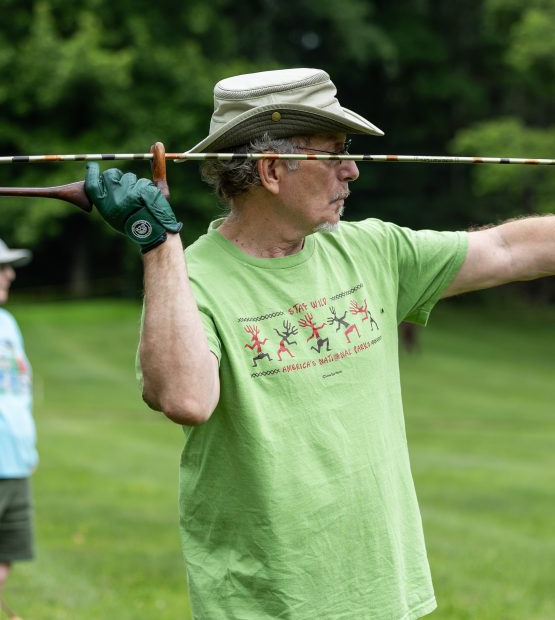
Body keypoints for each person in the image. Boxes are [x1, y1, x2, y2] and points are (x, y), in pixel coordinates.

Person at [85, 68, 555, 619]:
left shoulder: (372, 249)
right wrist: (159, 245)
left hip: (383, 594)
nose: (351, 171)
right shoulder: (191, 280)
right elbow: (185, 398)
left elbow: (507, 248)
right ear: (271, 171)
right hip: (267, 604)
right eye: (332, 154)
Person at [0, 239, 36, 613]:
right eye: (0, 267)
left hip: (16, 462)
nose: (8, 274)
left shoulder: (8, 323)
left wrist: (28, 450)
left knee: (7, 554)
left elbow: (19, 390)